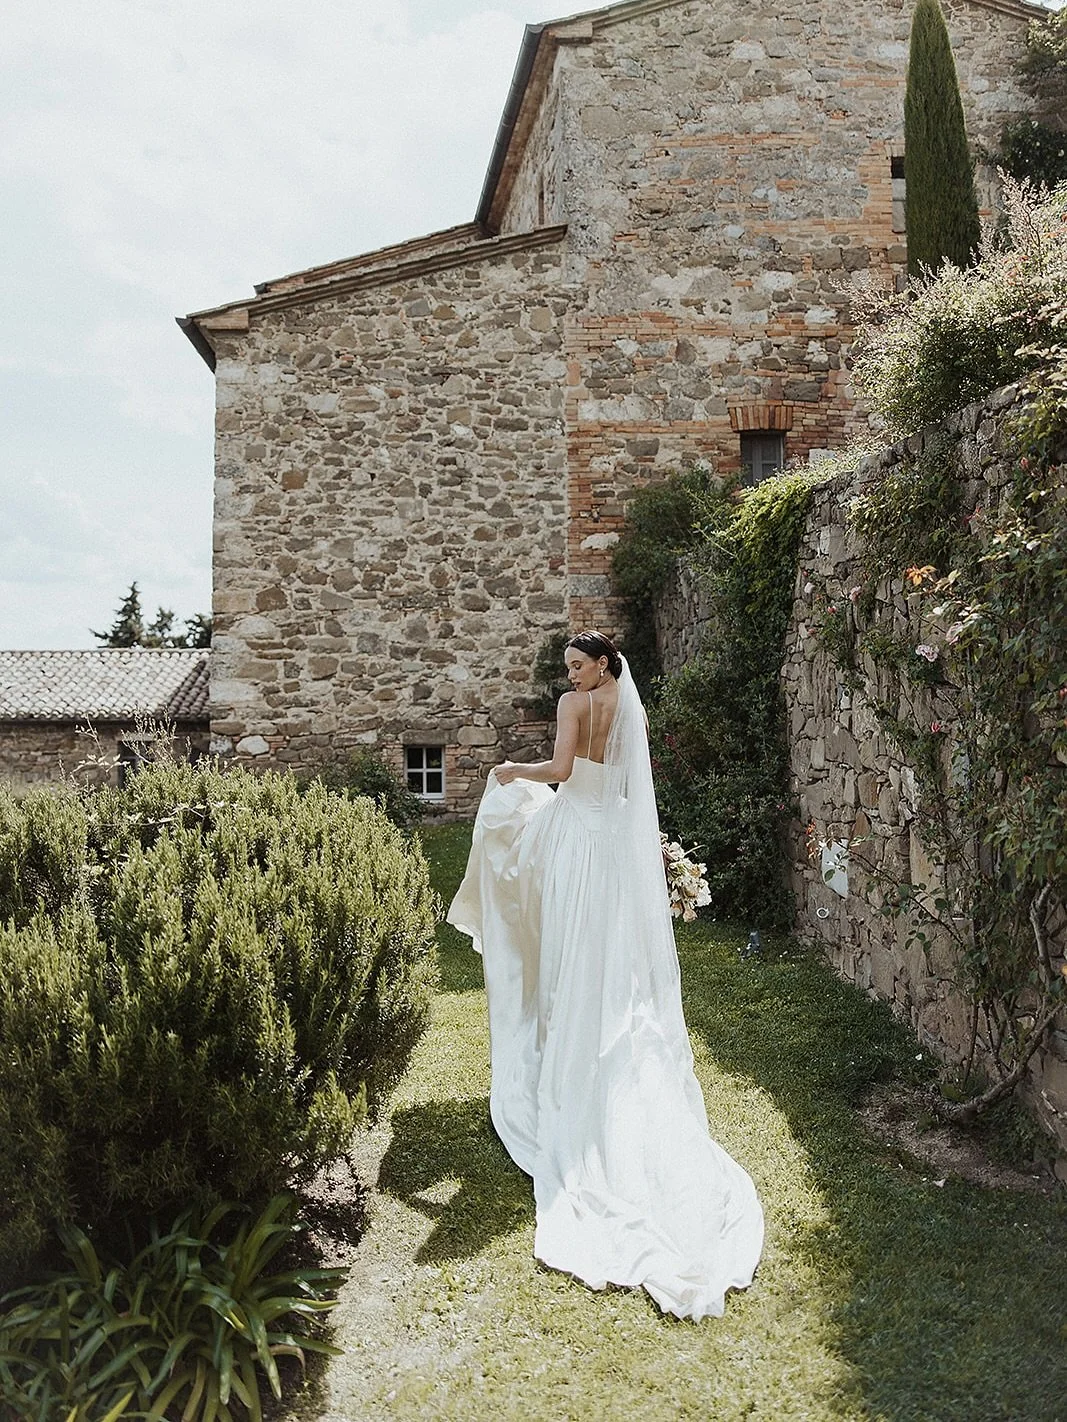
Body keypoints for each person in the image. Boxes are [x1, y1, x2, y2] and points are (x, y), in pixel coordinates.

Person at [447, 630, 763, 1320]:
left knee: (543, 912)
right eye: (568, 668)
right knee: (604, 954)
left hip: (571, 840)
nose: (571, 674)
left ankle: (564, 1053)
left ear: (600, 663)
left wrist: (512, 771)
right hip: (610, 843)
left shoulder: (574, 705)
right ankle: (596, 1035)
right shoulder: (628, 705)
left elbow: (561, 772)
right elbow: (623, 789)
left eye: (577, 665)